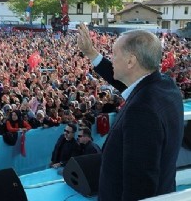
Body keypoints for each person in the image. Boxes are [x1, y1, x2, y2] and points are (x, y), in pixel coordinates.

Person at [77, 24, 184, 200]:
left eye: (115, 54)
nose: (112, 59)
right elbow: (132, 84)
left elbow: (140, 186)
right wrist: (91, 53)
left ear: (131, 61)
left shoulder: (141, 112)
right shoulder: (165, 85)